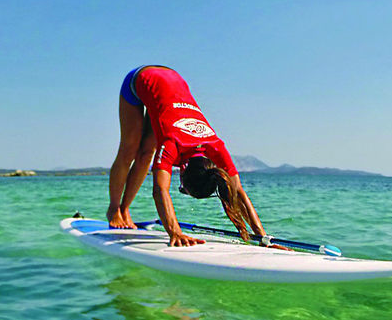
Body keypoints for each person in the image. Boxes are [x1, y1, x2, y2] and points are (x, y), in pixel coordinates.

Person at [108, 65, 273, 247]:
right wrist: (175, 232)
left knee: (147, 153)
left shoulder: (216, 146)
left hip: (174, 79)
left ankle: (125, 209)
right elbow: (160, 190)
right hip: (141, 78)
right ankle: (115, 209)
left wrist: (262, 237)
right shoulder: (172, 143)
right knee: (129, 150)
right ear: (183, 170)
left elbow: (238, 191)